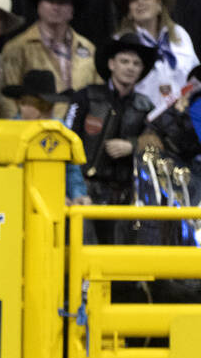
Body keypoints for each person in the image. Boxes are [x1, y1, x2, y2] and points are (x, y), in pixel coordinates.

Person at [65, 33, 158, 244]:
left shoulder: (146, 107)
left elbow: (159, 145)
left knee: (118, 263)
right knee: (84, 256)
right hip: (85, 192)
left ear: (142, 69)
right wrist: (71, 189)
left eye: (136, 63)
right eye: (124, 61)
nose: (130, 67)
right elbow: (66, 140)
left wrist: (132, 145)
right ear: (111, 64)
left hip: (123, 195)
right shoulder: (85, 97)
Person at [1, 0, 100, 120]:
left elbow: (98, 96)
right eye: (50, 1)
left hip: (79, 131)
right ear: (38, 6)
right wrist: (17, 132)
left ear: (72, 10)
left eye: (62, 2)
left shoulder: (89, 49)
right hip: (34, 130)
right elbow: (7, 100)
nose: (55, 7)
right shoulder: (17, 47)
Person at [2, 69, 90, 204]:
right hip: (15, 205)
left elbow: (72, 170)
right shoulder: (8, 133)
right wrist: (51, 196)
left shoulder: (60, 130)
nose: (49, 111)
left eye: (50, 105)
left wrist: (78, 195)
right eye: (43, 105)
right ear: (23, 104)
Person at [114, 0, 200, 111]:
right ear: (129, 10)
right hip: (142, 120)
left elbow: (196, 78)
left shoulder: (180, 34)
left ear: (160, 4)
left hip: (184, 117)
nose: (140, 2)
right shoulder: (121, 42)